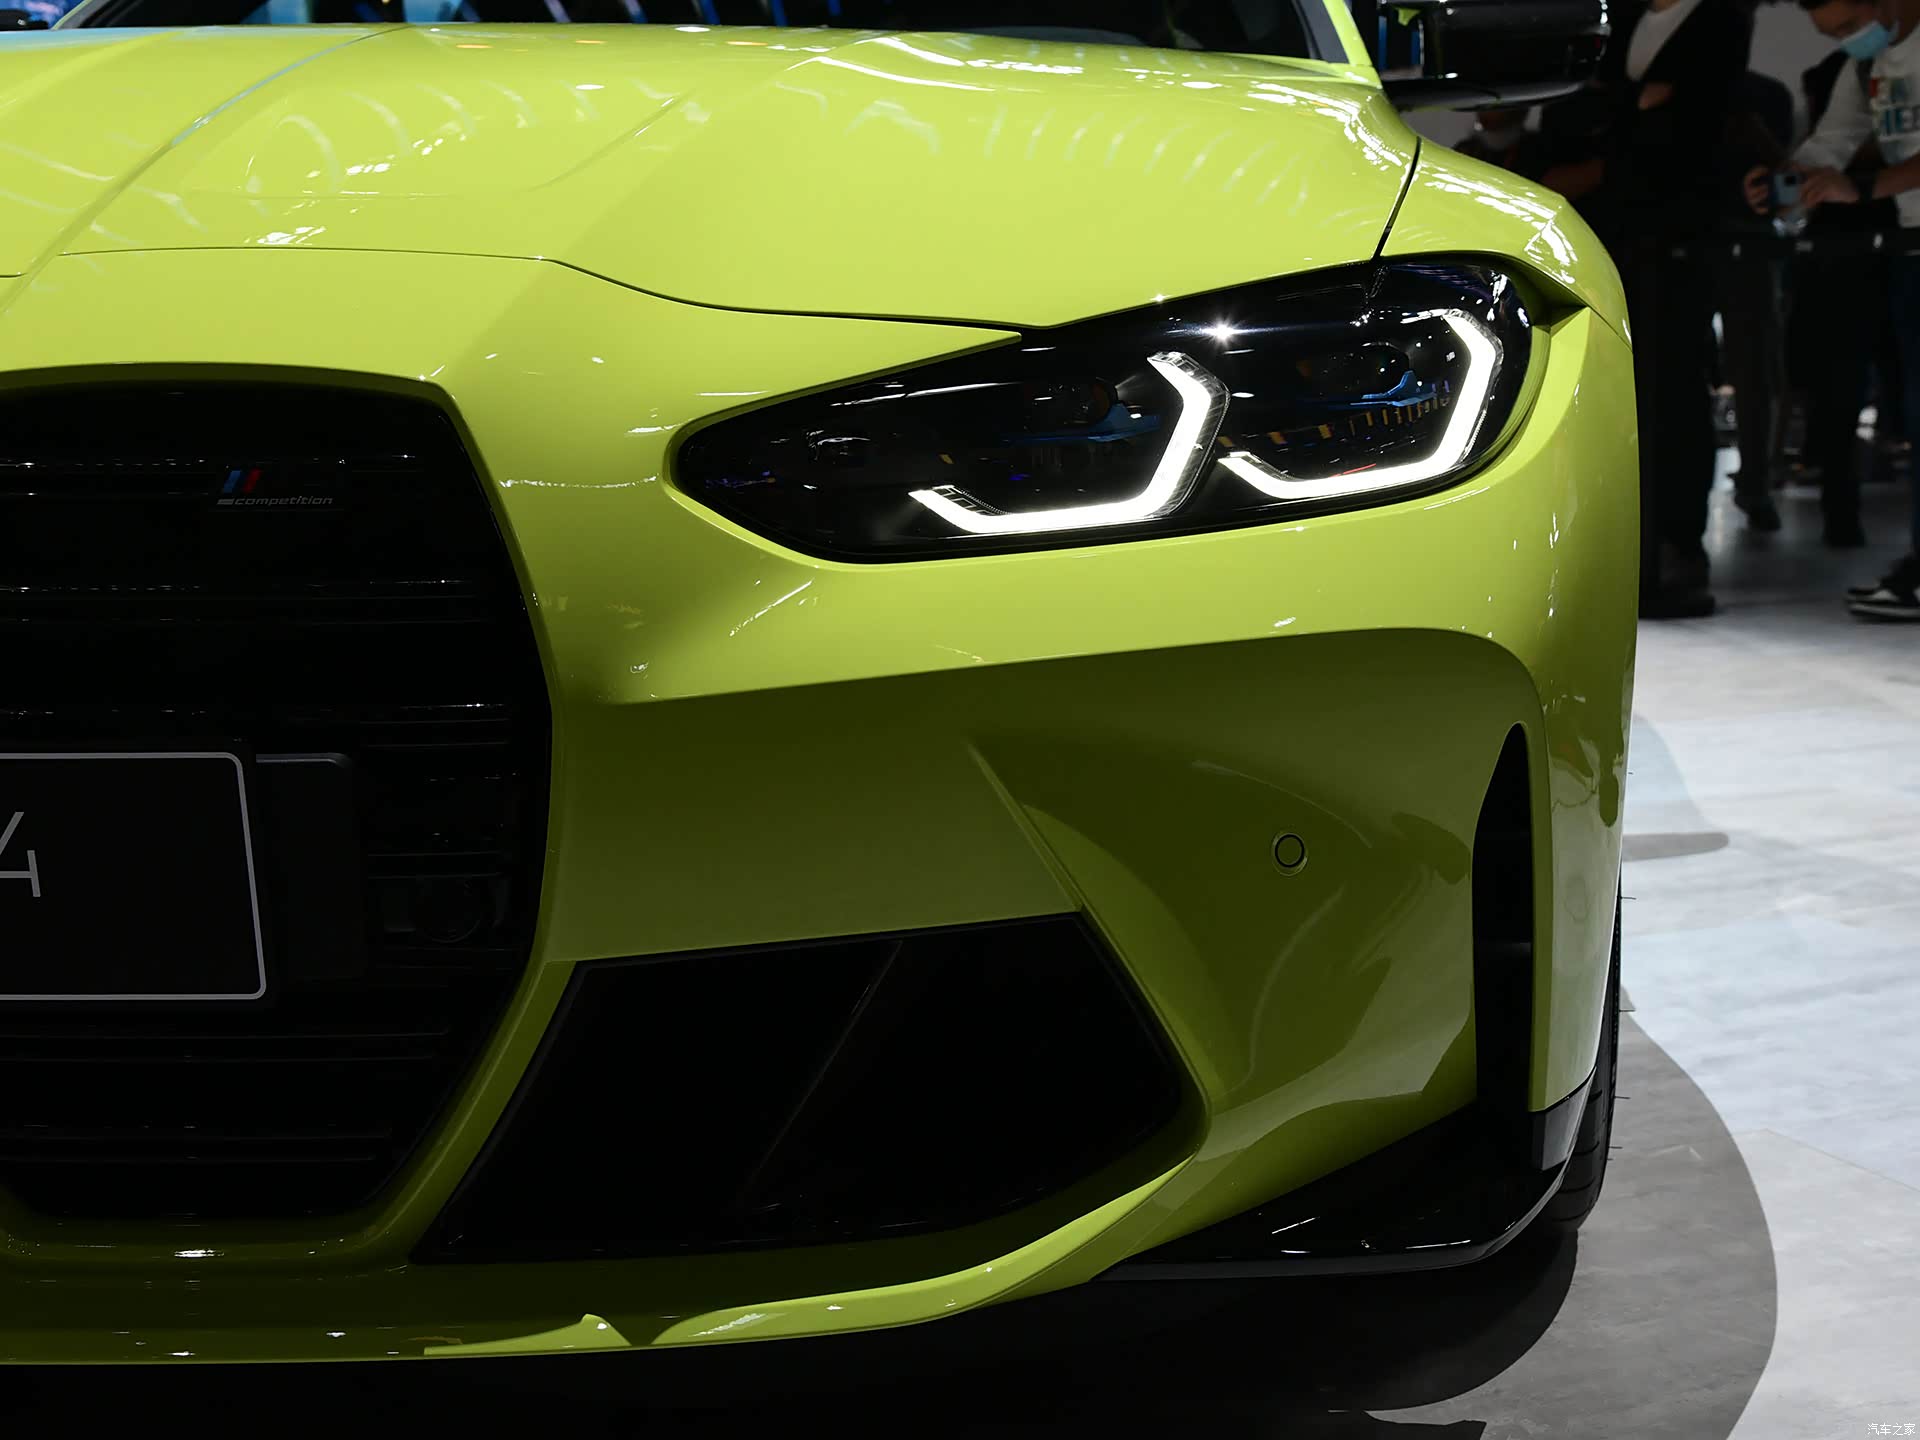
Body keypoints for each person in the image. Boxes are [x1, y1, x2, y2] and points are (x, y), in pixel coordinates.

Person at [1749, 0, 1920, 618]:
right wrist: (1787, 184)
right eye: (1834, 33)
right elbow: (1833, 143)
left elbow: (1856, 171)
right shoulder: (1867, 64)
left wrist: (1865, 188)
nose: (1849, 39)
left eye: (1850, 25)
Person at [1606, 0, 1754, 618]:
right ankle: (1638, 547)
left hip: (1680, 235)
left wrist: (1632, 113)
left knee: (1677, 390)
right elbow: (1601, 113)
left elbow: (1702, 119)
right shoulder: (1628, 18)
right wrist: (1636, 108)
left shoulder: (1721, 16)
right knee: (1630, 392)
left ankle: (1679, 545)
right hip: (1622, 233)